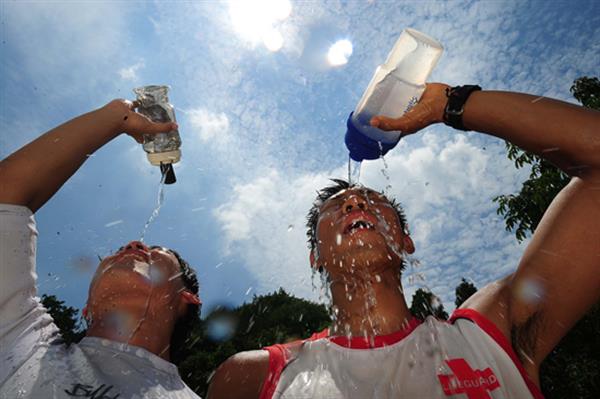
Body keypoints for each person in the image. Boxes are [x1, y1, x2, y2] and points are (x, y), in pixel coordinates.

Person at [207, 83, 600, 399]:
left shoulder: (491, 334)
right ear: (316, 257)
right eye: (336, 206)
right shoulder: (257, 377)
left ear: (405, 240)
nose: (356, 201)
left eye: (372, 200)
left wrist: (451, 104)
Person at [0, 100, 203, 398]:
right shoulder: (22, 345)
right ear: (87, 308)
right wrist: (116, 117)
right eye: (123, 248)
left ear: (187, 298)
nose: (134, 244)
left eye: (157, 250)